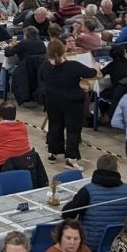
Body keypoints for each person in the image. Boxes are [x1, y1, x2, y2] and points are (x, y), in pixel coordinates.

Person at [38, 39, 96, 168]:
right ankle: (71, 159)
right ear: (63, 51)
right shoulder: (73, 66)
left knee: (54, 126)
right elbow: (91, 73)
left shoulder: (45, 66)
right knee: (73, 130)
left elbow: (41, 80)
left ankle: (52, 152)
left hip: (52, 101)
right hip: (72, 102)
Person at [60, 153, 127, 252]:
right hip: (120, 243)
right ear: (117, 169)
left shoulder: (88, 191)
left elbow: (66, 213)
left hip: (91, 245)